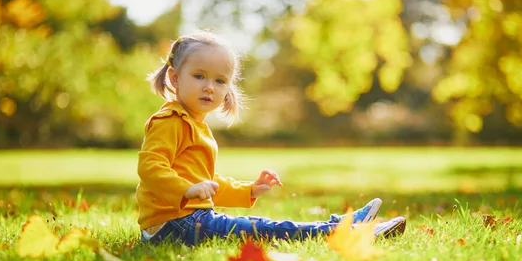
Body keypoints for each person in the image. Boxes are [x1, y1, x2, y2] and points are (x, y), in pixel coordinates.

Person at [136, 30, 406, 246]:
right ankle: (344, 230)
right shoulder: (170, 121)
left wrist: (248, 190)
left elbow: (207, 184)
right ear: (174, 77)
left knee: (260, 227)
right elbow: (150, 168)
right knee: (263, 228)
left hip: (184, 220)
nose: (209, 87)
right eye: (199, 76)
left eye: (220, 81)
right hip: (173, 224)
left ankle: (344, 226)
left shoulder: (194, 125)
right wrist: (186, 190)